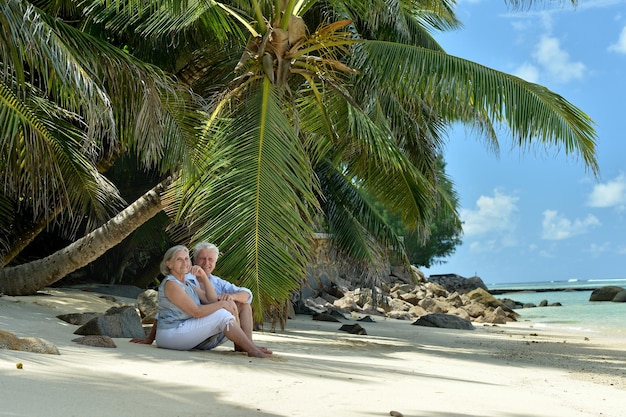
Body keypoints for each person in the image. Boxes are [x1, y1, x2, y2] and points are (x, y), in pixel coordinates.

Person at [140, 245, 268, 358]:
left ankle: (249, 347)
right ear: (169, 264)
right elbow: (196, 312)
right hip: (171, 334)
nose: (184, 263)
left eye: (186, 259)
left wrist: (203, 277)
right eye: (179, 259)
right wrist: (223, 304)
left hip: (183, 331)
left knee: (227, 310)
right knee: (222, 314)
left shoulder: (187, 283)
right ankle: (252, 349)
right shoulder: (171, 284)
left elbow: (210, 299)